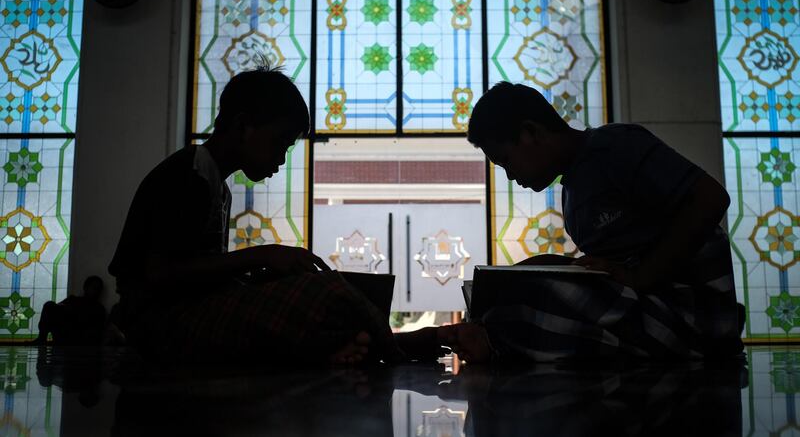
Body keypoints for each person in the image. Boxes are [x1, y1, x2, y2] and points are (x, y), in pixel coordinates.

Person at [420, 82, 743, 363]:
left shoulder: (616, 146)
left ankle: (487, 341)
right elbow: (613, 273)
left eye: (506, 160)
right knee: (531, 279)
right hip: (641, 310)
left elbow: (711, 198)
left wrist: (642, 276)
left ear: (531, 132)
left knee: (539, 301)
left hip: (693, 318)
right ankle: (487, 336)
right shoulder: (573, 195)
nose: (511, 175)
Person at [109, 63, 399, 364]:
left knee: (305, 293)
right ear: (243, 126)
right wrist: (261, 256)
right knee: (327, 290)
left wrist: (261, 275)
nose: (282, 159)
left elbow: (202, 276)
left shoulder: (215, 186)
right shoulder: (189, 176)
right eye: (279, 143)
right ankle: (398, 345)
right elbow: (159, 276)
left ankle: (347, 347)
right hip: (158, 325)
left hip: (184, 315)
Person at [34, 275, 107, 345]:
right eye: (94, 288)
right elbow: (56, 308)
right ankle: (41, 339)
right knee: (49, 304)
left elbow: (96, 331)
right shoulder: (73, 300)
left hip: (79, 339)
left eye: (98, 289)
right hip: (64, 333)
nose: (96, 291)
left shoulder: (99, 308)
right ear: (85, 287)